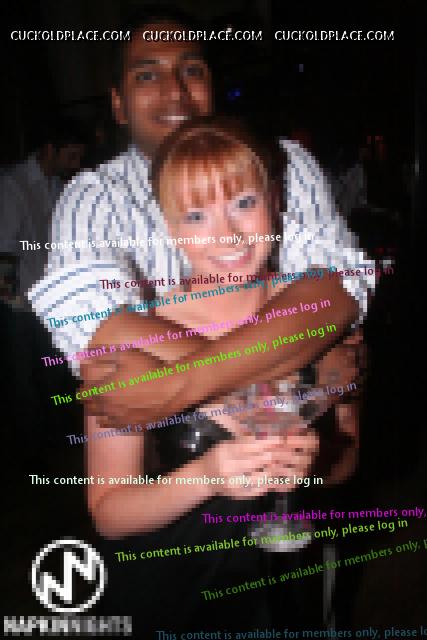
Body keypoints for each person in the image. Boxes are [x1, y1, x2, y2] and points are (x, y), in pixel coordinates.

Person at [27, 7, 374, 427]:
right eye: (147, 75)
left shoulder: (283, 163)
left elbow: (335, 288)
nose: (175, 91)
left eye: (191, 70)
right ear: (118, 105)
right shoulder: (95, 197)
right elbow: (97, 328)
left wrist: (180, 384)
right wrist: (294, 376)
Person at [86, 118, 361, 634]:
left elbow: (348, 456)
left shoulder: (320, 320)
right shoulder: (130, 338)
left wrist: (316, 463)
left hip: (288, 584)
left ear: (274, 201)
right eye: (196, 215)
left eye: (243, 203)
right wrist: (208, 476)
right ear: (169, 227)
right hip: (176, 588)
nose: (228, 234)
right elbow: (109, 513)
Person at [0, 118, 86, 298]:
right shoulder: (12, 184)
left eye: (79, 157)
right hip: (22, 298)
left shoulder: (59, 186)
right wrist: (9, 298)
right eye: (71, 156)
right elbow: (5, 246)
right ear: (49, 150)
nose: (76, 164)